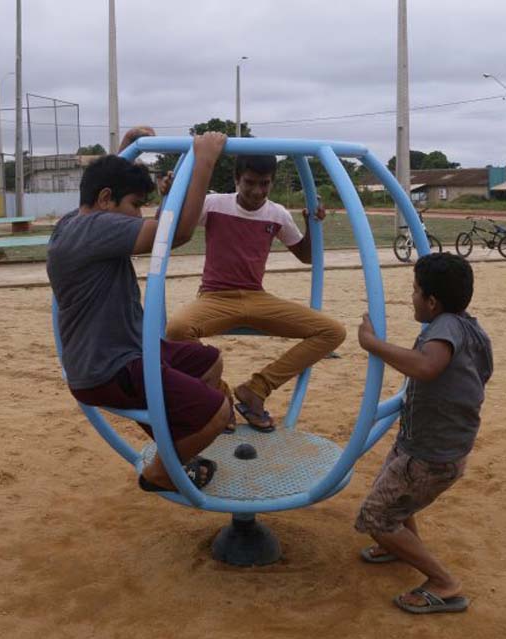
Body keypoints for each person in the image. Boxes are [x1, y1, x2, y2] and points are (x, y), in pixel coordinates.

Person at [47, 131, 230, 493]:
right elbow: (175, 233)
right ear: (106, 200)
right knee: (218, 413)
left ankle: (175, 436)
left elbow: (103, 190)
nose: (138, 216)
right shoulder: (95, 228)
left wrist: (126, 152)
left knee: (209, 363)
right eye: (135, 205)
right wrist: (204, 162)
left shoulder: (72, 222)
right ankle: (161, 473)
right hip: (110, 368)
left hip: (121, 352)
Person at [164, 153, 346, 432]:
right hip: (216, 296)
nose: (257, 191)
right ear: (236, 179)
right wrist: (171, 196)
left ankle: (256, 389)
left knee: (332, 331)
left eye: (265, 183)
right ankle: (220, 396)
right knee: (176, 329)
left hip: (256, 296)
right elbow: (174, 228)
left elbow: (307, 257)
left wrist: (313, 224)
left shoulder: (277, 214)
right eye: (249, 182)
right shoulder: (214, 205)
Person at [355, 252, 493, 614]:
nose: (411, 296)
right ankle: (398, 546)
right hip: (430, 444)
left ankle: (443, 583)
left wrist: (372, 344)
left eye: (415, 291)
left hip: (430, 455)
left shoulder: (444, 327)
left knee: (376, 517)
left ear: (432, 301)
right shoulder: (469, 326)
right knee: (398, 498)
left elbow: (427, 366)